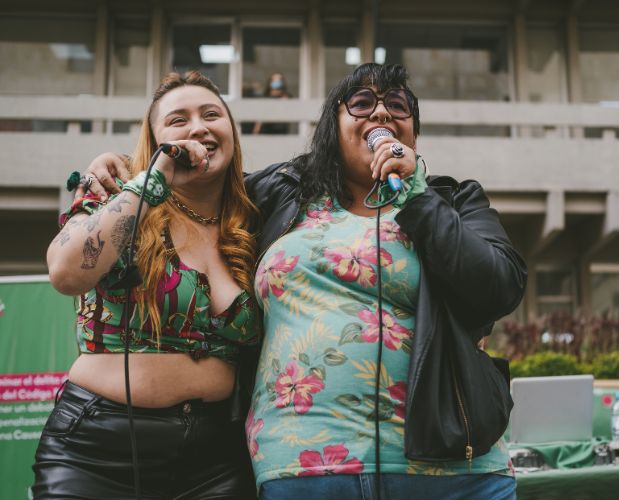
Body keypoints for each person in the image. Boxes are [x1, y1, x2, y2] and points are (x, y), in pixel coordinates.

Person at [78, 63, 527, 499]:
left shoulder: (452, 199)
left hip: (450, 468)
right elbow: (202, 181)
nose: (382, 114)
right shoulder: (281, 192)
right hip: (302, 465)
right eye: (362, 103)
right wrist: (126, 163)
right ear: (333, 126)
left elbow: (498, 288)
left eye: (397, 105)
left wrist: (417, 196)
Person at [33, 71, 261, 499]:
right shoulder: (116, 194)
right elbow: (65, 273)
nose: (198, 126)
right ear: (155, 139)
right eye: (179, 119)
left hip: (216, 459)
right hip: (98, 449)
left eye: (212, 114)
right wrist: (149, 183)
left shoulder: (254, 220)